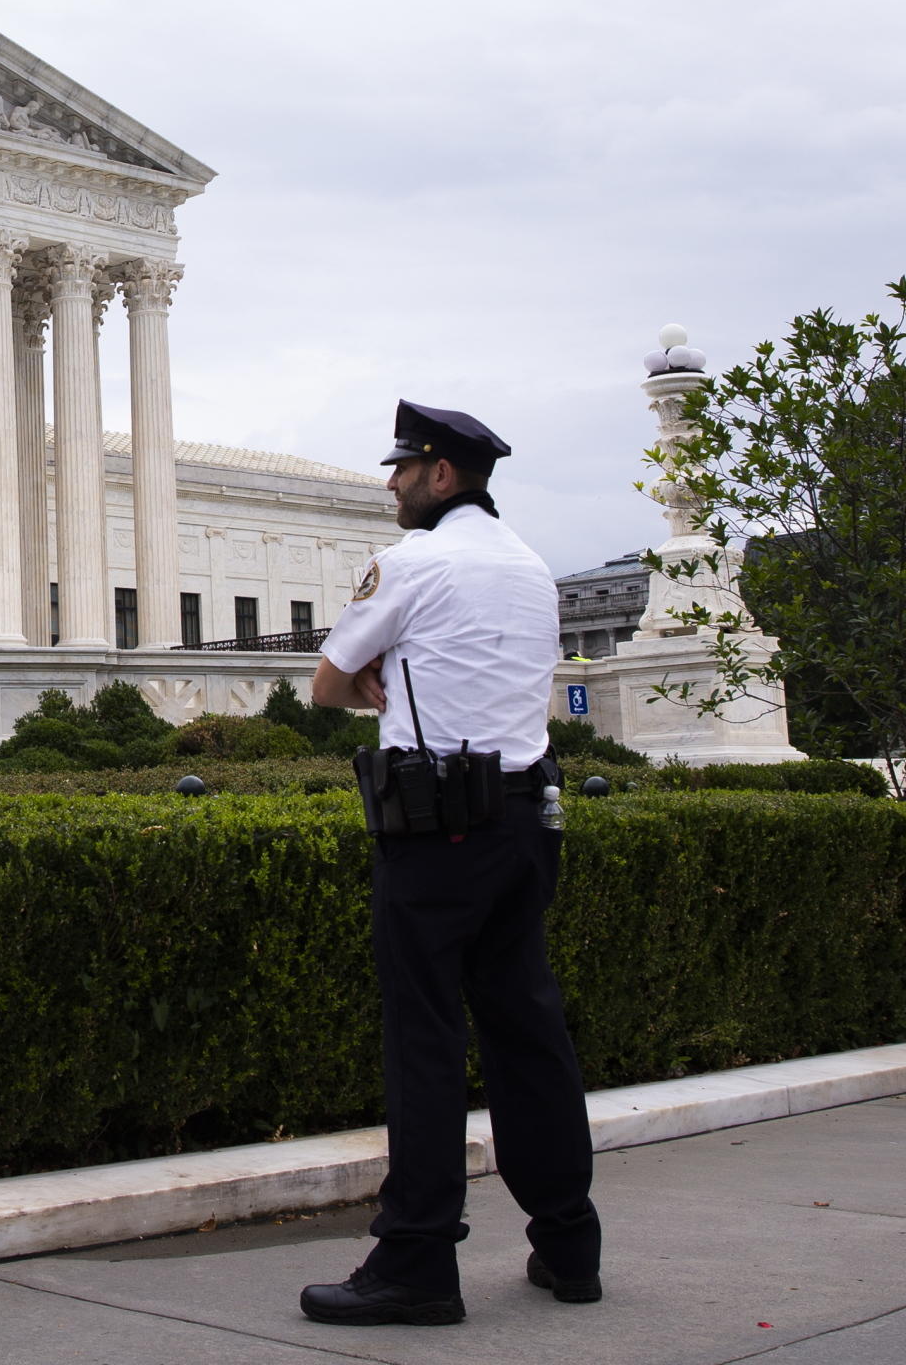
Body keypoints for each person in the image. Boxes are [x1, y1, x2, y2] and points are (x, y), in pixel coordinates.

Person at [295, 402, 601, 1327]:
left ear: (440, 475)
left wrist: (370, 679)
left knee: (425, 1039)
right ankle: (569, 1245)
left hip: (438, 833)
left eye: (402, 469)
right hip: (526, 821)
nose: (389, 483)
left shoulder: (415, 562)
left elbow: (326, 684)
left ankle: (417, 1262)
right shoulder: (531, 566)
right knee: (528, 1032)